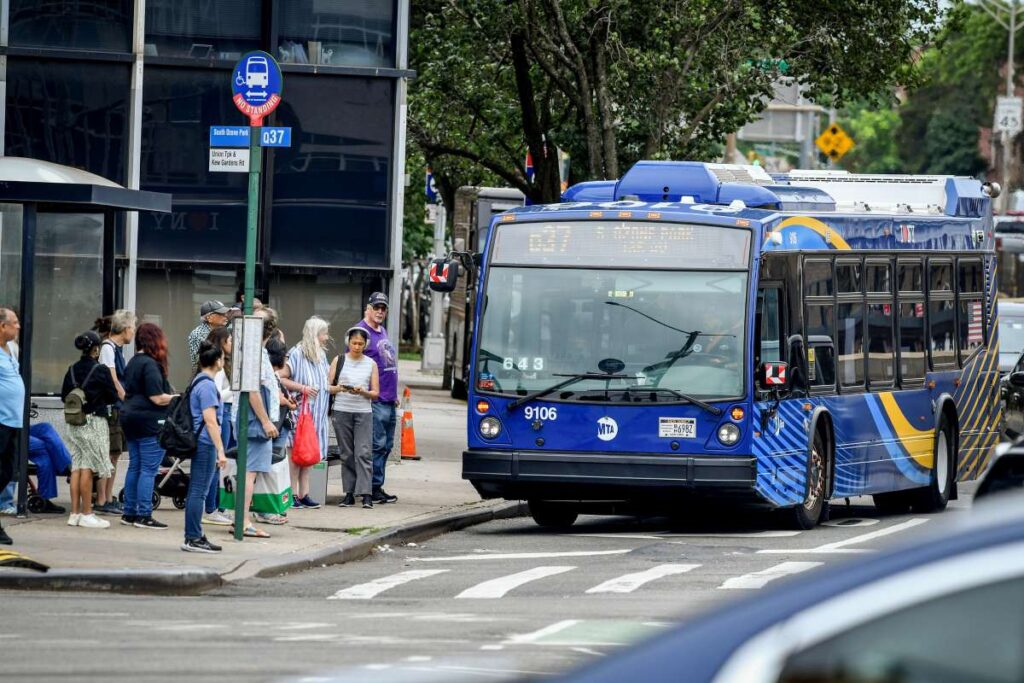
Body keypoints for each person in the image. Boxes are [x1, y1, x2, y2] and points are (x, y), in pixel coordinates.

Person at [119, 322, 176, 529]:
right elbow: (157, 398)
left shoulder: (133, 361)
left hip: (129, 418)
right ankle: (144, 514)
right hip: (149, 420)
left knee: (135, 466)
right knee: (149, 469)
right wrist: (178, 398)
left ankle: (129, 512)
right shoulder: (150, 364)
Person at [61, 330, 119, 529]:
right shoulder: (100, 370)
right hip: (93, 422)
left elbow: (63, 396)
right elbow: (112, 396)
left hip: (73, 423)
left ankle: (74, 513)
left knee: (77, 465)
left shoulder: (71, 369)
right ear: (96, 349)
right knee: (87, 467)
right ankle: (87, 512)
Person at [232, 307, 280, 539]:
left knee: (248, 471)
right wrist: (266, 421)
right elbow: (253, 389)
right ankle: (243, 522)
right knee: (249, 472)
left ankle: (241, 519)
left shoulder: (252, 351)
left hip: (247, 418)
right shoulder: (256, 354)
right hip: (254, 421)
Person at [182, 340, 228, 553]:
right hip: (205, 444)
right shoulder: (208, 386)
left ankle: (196, 534)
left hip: (199, 441)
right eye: (223, 358)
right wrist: (220, 450)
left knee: (197, 490)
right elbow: (210, 421)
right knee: (199, 491)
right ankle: (193, 537)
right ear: (217, 361)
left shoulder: (197, 381)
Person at [280, 316, 331, 509]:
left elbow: (326, 382)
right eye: (324, 333)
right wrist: (302, 388)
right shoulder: (296, 353)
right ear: (315, 334)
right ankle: (292, 494)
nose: (326, 337)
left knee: (308, 456)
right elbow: (281, 378)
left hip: (316, 416)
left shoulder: (321, 356)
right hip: (299, 415)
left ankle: (304, 493)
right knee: (295, 457)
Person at [356, 292, 400, 504]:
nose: (380, 311)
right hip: (375, 400)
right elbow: (354, 365)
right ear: (368, 308)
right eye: (377, 307)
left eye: (383, 308)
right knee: (376, 445)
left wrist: (395, 394)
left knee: (386, 445)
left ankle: (377, 485)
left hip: (389, 399)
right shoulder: (361, 332)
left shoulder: (381, 331)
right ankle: (371, 488)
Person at [331, 327, 379, 509]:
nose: (357, 346)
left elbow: (375, 393)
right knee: (347, 454)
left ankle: (366, 493)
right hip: (342, 410)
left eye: (360, 343)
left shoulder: (371, 364)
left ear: (365, 344)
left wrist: (363, 391)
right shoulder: (339, 360)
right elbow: (328, 386)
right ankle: (349, 493)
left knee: (363, 452)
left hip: (363, 411)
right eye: (354, 343)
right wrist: (341, 388)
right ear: (348, 343)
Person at [95, 309, 135, 515]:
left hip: (117, 407)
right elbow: (113, 379)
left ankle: (108, 497)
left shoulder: (116, 349)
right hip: (112, 408)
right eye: (133, 327)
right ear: (126, 328)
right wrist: (126, 400)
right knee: (109, 454)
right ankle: (102, 499)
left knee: (115, 454)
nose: (134, 332)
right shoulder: (108, 349)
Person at [0, 423, 72, 515]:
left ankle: (69, 468)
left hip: (19, 428)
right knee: (43, 446)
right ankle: (72, 471)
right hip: (8, 430)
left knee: (46, 428)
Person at [261, 337, 296, 525]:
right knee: (269, 469)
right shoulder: (267, 374)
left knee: (274, 469)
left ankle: (272, 507)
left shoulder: (273, 374)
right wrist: (283, 401)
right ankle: (265, 510)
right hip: (272, 426)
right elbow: (272, 398)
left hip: (281, 424)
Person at [202, 326, 234, 527]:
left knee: (223, 462)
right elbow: (216, 394)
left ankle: (218, 505)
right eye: (229, 340)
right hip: (223, 411)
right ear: (222, 342)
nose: (232, 343)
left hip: (227, 411)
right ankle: (211, 507)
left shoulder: (224, 363)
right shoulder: (217, 366)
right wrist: (235, 390)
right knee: (218, 462)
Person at [0, 307, 24, 545]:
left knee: (8, 471)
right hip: (0, 421)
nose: (18, 326)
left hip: (12, 422)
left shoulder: (11, 350)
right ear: (2, 326)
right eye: (14, 323)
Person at [187, 300, 233, 370]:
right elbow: (201, 362)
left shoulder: (225, 330)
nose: (226, 316)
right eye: (222, 314)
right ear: (209, 318)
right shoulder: (198, 334)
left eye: (226, 313)